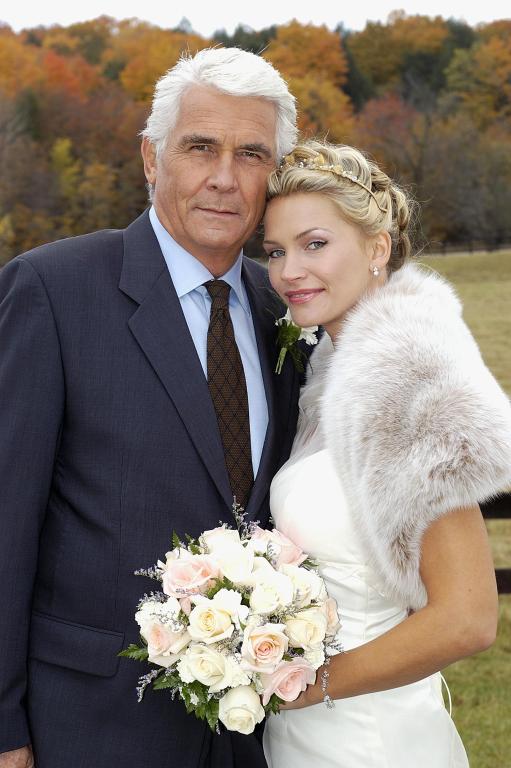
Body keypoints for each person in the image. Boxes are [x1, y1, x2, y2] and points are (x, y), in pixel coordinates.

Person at [0, 47, 300, 768]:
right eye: (200, 147)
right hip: (90, 723)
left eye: (251, 154)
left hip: (256, 730)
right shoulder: (52, 290)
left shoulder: (288, 309)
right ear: (150, 158)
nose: (224, 177)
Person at [261, 139, 511, 767]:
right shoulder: (332, 371)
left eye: (315, 244)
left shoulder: (410, 376)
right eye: (276, 251)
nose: (289, 271)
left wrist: (306, 687)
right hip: (309, 735)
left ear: (377, 249)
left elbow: (468, 617)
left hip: (369, 737)